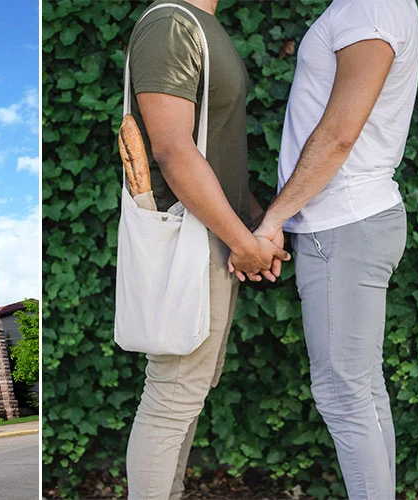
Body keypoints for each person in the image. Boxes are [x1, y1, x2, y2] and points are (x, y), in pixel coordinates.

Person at [230, 0, 418, 498]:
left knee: (344, 395)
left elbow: (340, 133)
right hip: (348, 221)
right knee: (361, 391)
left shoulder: (370, 7)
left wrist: (274, 218)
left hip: (343, 222)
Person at [123, 0, 289, 498]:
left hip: (214, 236)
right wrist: (244, 241)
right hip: (192, 241)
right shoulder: (171, 24)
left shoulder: (198, 23)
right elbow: (173, 149)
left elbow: (209, 147)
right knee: (171, 396)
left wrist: (256, 218)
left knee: (185, 396)